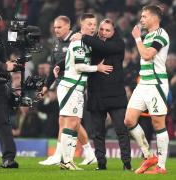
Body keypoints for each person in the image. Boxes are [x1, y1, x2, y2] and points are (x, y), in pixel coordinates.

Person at [72, 19, 132, 170]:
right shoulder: (92, 43)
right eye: (102, 29)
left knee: (121, 131)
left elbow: (104, 48)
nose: (104, 32)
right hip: (96, 95)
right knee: (98, 133)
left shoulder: (118, 44)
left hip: (115, 95)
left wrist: (83, 36)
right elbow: (81, 60)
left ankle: (126, 163)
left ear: (113, 32)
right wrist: (60, 66)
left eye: (108, 30)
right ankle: (101, 164)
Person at [38, 15, 97, 166]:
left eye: (59, 27)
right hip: (64, 84)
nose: (55, 30)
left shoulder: (77, 39)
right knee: (71, 121)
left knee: (69, 121)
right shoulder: (57, 44)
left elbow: (79, 62)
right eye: (54, 27)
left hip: (74, 84)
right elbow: (54, 66)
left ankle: (62, 156)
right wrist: (46, 85)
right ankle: (88, 154)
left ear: (68, 27)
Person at [58, 13, 113, 170]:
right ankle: (66, 160)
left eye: (94, 24)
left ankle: (66, 160)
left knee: (74, 124)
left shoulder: (86, 42)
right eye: (89, 24)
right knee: (72, 123)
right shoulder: (78, 43)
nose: (92, 27)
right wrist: (98, 68)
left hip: (76, 87)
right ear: (82, 25)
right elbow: (79, 66)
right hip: (71, 87)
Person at [124, 5, 170, 174]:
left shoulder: (161, 34)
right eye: (141, 16)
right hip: (143, 84)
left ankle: (161, 166)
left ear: (154, 18)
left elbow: (147, 55)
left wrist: (137, 39)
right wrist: (140, 39)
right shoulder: (148, 35)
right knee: (129, 120)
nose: (141, 19)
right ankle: (149, 155)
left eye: (144, 16)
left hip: (156, 84)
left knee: (158, 124)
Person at [0, 11, 18, 168]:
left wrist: (9, 66)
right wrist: (4, 66)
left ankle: (8, 158)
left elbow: (2, 61)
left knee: (3, 122)